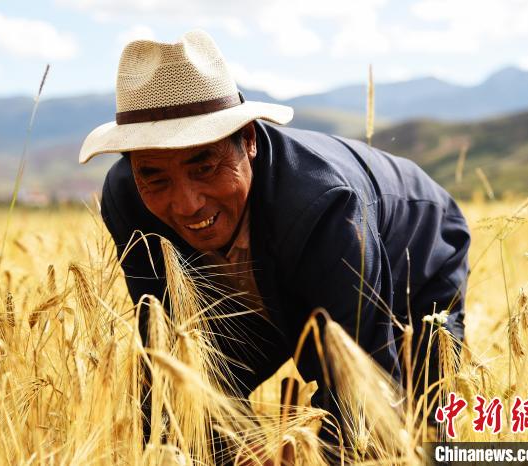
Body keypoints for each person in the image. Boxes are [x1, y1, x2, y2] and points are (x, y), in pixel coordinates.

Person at [79, 29, 470, 458]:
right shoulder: (128, 201)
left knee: (415, 424)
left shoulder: (325, 209)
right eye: (156, 178)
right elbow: (169, 352)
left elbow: (362, 388)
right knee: (180, 407)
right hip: (266, 276)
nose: (187, 204)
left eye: (204, 167)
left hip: (415, 247)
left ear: (248, 140)